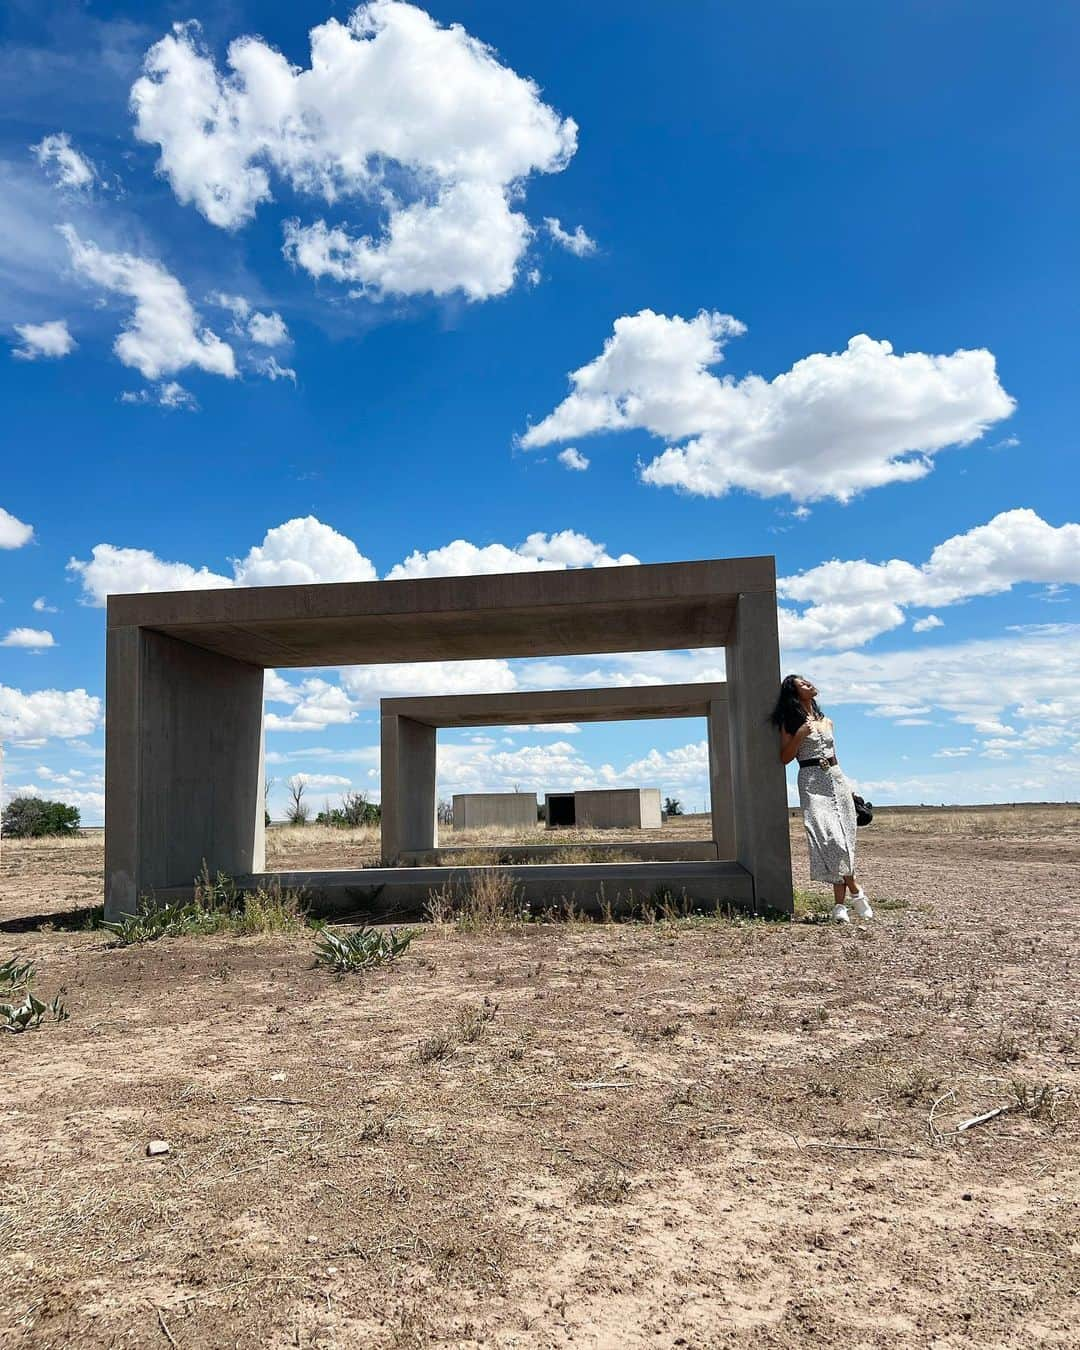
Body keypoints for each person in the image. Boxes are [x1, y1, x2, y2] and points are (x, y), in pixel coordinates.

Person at [771, 675, 872, 924]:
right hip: (811, 779)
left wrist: (850, 788)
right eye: (801, 684)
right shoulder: (790, 722)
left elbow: (836, 757)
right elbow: (784, 757)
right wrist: (800, 735)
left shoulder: (828, 721)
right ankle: (857, 892)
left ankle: (839, 906)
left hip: (836, 779)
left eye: (807, 681)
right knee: (829, 839)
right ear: (795, 694)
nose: (808, 684)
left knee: (844, 841)